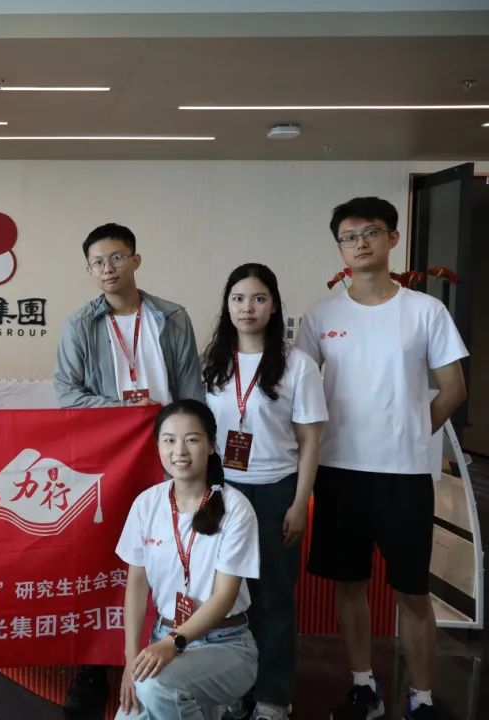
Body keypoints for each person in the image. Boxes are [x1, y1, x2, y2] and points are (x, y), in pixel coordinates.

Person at [297, 197, 468, 720]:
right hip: (339, 473)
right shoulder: (321, 315)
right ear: (340, 248)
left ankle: (421, 696)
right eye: (349, 237)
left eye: (371, 232)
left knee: (412, 591)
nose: (360, 243)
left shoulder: (425, 311)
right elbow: (300, 391)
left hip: (404, 475)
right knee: (349, 586)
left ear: (393, 238)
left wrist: (411, 432)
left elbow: (453, 389)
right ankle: (363, 687)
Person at [54, 222, 205, 713]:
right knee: (103, 557)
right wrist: (123, 411)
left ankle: (169, 652)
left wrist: (189, 446)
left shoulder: (171, 317)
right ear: (89, 270)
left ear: (136, 260)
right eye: (98, 262)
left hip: (169, 456)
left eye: (117, 258)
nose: (108, 269)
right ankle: (93, 667)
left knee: (169, 555)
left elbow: (191, 391)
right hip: (109, 459)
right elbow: (67, 394)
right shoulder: (81, 324)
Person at [201, 263, 327, 720]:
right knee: (227, 598)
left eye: (258, 298)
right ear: (227, 305)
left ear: (273, 306)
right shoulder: (213, 361)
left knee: (273, 598)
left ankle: (273, 696)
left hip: (276, 492)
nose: (247, 308)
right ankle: (234, 686)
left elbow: (310, 440)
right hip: (224, 491)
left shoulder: (297, 365)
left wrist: (299, 503)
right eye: (238, 298)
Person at [115, 399, 260, 719]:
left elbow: (224, 597)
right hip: (162, 639)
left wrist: (173, 643)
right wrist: (131, 661)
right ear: (158, 445)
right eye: (169, 440)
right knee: (138, 701)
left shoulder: (236, 509)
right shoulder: (146, 504)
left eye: (191, 439)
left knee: (155, 687)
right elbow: (136, 585)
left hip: (226, 645)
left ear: (211, 445)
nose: (179, 450)